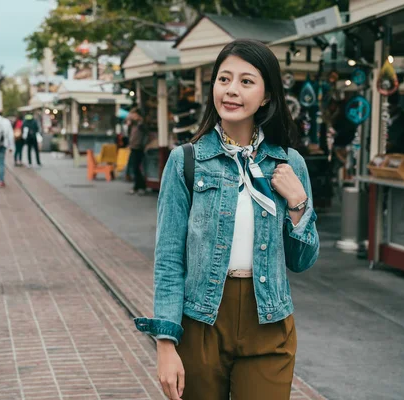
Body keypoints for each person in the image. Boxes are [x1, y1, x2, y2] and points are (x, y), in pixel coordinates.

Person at [134, 39, 320, 400]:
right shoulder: (185, 161)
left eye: (247, 81)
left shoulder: (289, 164)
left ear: (266, 95)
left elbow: (302, 261)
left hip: (269, 321)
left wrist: (298, 203)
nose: (232, 90)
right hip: (202, 321)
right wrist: (166, 343)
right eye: (224, 79)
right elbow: (170, 258)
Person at [126, 107, 147, 195]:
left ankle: (140, 186)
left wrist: (139, 120)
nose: (132, 116)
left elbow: (144, 130)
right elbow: (129, 134)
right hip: (133, 147)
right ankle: (138, 186)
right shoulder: (133, 125)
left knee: (135, 168)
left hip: (139, 148)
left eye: (134, 114)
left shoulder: (141, 124)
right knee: (134, 168)